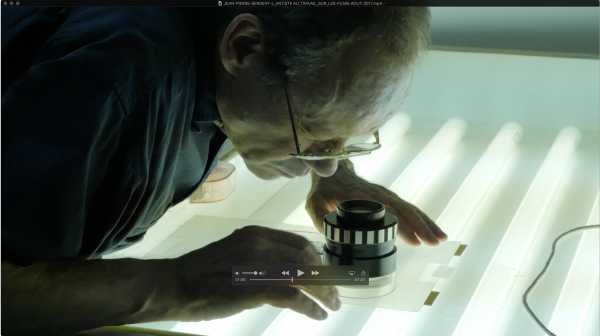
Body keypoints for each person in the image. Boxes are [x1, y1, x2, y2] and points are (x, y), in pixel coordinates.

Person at [1, 6, 447, 335]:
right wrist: (178, 286)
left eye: (346, 141)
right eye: (315, 131)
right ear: (243, 47)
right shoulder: (110, 84)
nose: (327, 160)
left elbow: (304, 91)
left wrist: (332, 172)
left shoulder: (232, 55)